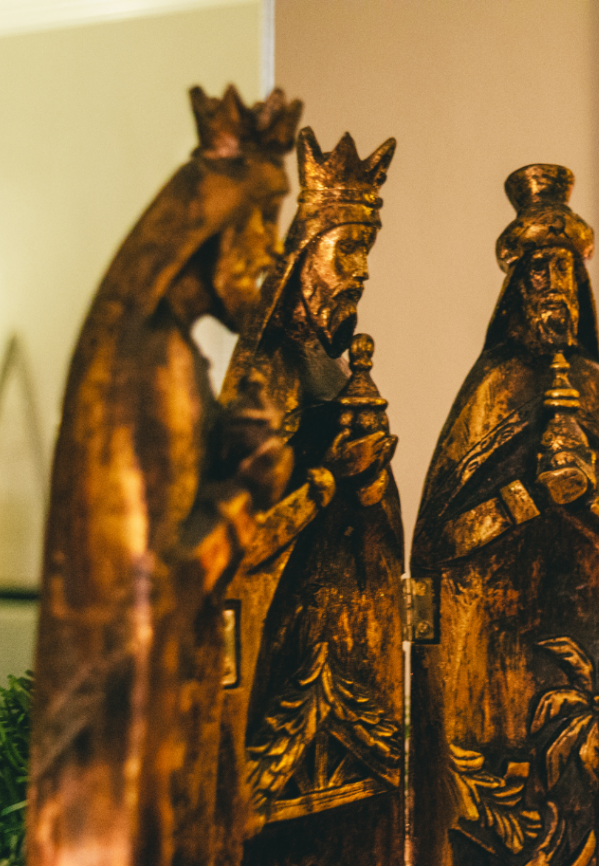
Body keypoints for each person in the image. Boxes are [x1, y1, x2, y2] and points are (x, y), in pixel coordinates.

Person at [28, 85, 302, 866]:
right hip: (119, 754)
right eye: (261, 225)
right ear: (207, 227)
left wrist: (226, 451)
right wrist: (245, 495)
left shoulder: (164, 357)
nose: (272, 255)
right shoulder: (152, 366)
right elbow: (157, 588)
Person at [411, 165, 599, 866]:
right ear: (516, 290)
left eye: (564, 273)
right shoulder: (490, 398)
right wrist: (530, 497)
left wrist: (592, 496)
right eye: (538, 274)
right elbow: (441, 551)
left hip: (595, 658)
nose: (553, 289)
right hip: (496, 667)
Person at [214, 127, 403, 866]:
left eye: (368, 252)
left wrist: (372, 483)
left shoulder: (331, 366)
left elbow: (360, 514)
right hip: (277, 660)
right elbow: (238, 539)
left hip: (345, 648)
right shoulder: (269, 378)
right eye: (347, 250)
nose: (361, 272)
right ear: (304, 254)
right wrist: (331, 479)